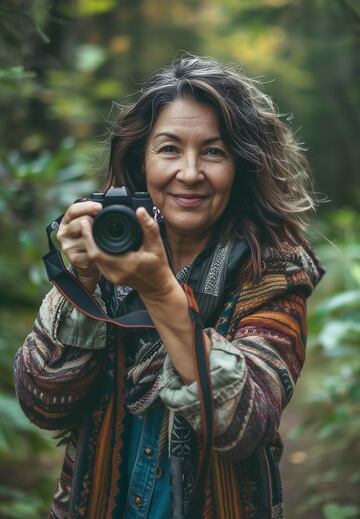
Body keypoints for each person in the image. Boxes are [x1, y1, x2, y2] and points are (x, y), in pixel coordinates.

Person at [14, 55, 324, 519]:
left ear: (240, 164)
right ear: (141, 157)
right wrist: (80, 282)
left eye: (214, 151)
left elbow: (244, 423)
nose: (191, 172)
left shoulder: (274, 272)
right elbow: (43, 405)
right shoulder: (105, 250)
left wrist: (160, 293)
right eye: (170, 149)